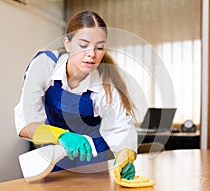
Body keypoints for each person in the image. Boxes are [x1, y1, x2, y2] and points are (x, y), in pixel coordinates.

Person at [14, 11, 137, 180]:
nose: (92, 54)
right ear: (68, 43)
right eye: (83, 45)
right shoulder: (44, 65)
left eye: (99, 47)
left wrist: (125, 155)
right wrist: (61, 135)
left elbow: (121, 129)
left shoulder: (105, 85)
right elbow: (26, 124)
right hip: (57, 155)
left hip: (95, 158)